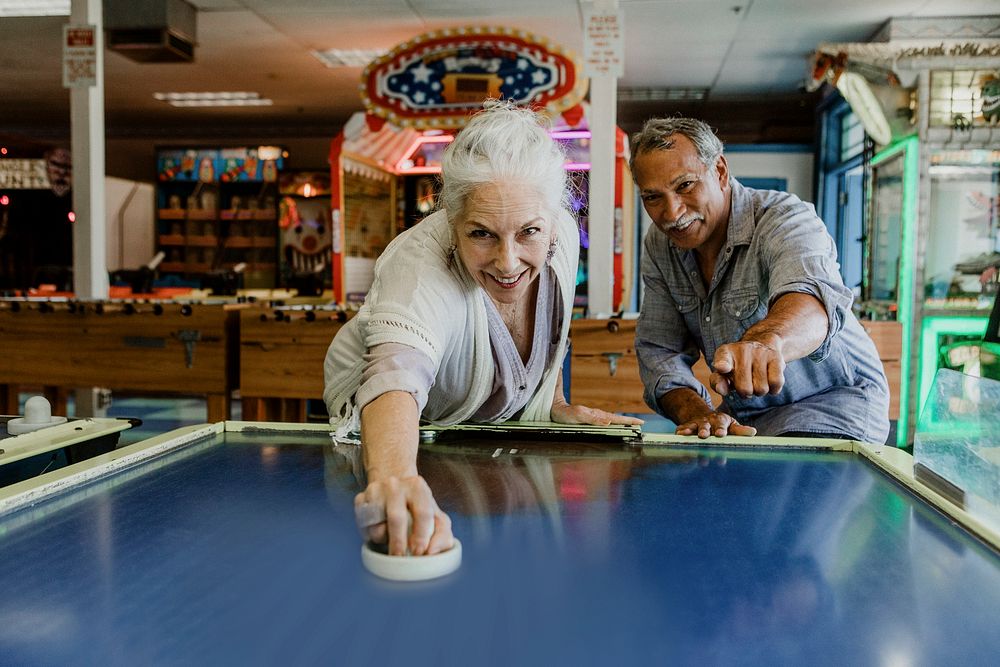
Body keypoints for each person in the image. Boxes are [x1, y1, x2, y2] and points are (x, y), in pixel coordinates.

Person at [323, 101, 642, 558]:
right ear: (452, 224)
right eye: (481, 234)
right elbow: (397, 375)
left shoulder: (563, 236)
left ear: (554, 221)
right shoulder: (420, 264)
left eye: (528, 232)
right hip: (385, 445)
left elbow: (546, 335)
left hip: (478, 447)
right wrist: (394, 480)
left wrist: (552, 403)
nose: (507, 262)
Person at [630, 116, 889, 443]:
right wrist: (699, 414)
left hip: (834, 406)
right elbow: (660, 352)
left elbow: (811, 299)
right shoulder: (660, 243)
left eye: (685, 185)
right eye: (653, 197)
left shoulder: (785, 217)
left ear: (720, 172)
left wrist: (767, 341)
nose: (672, 213)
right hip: (748, 421)